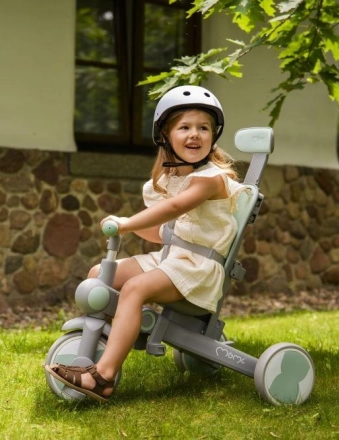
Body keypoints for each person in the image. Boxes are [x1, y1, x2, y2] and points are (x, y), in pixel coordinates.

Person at [45, 85, 247, 402]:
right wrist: (135, 226)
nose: (195, 134)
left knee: (135, 289)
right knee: (99, 273)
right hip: (170, 259)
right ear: (166, 136)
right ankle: (114, 337)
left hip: (198, 268)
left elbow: (174, 208)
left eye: (203, 128)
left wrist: (126, 223)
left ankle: (104, 377)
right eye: (185, 127)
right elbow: (160, 232)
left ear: (213, 135)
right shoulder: (170, 181)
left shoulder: (212, 178)